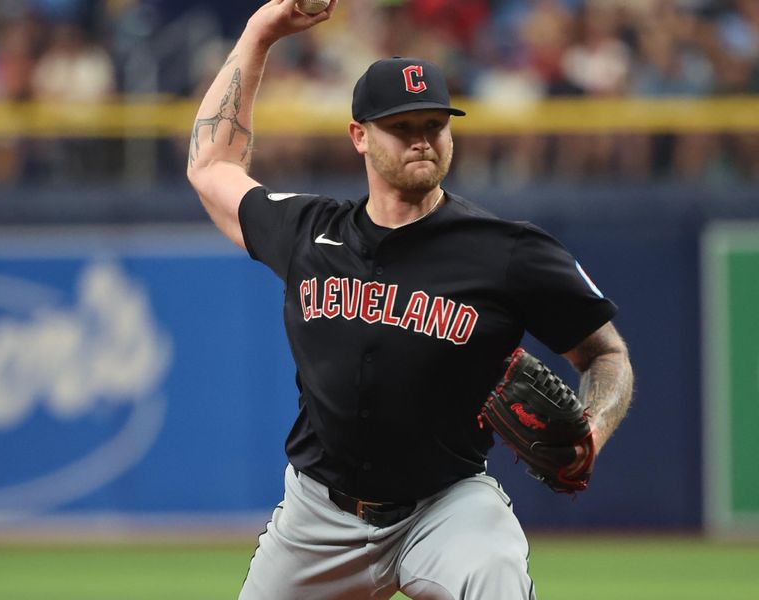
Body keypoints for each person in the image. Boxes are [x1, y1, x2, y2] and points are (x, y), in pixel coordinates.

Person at [186, 1, 634, 598]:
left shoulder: (506, 251)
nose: (422, 139)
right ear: (359, 137)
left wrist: (593, 434)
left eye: (434, 124)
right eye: (402, 127)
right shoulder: (306, 232)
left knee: (494, 576)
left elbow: (606, 354)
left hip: (446, 506)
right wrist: (259, 33)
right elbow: (211, 164)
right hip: (317, 516)